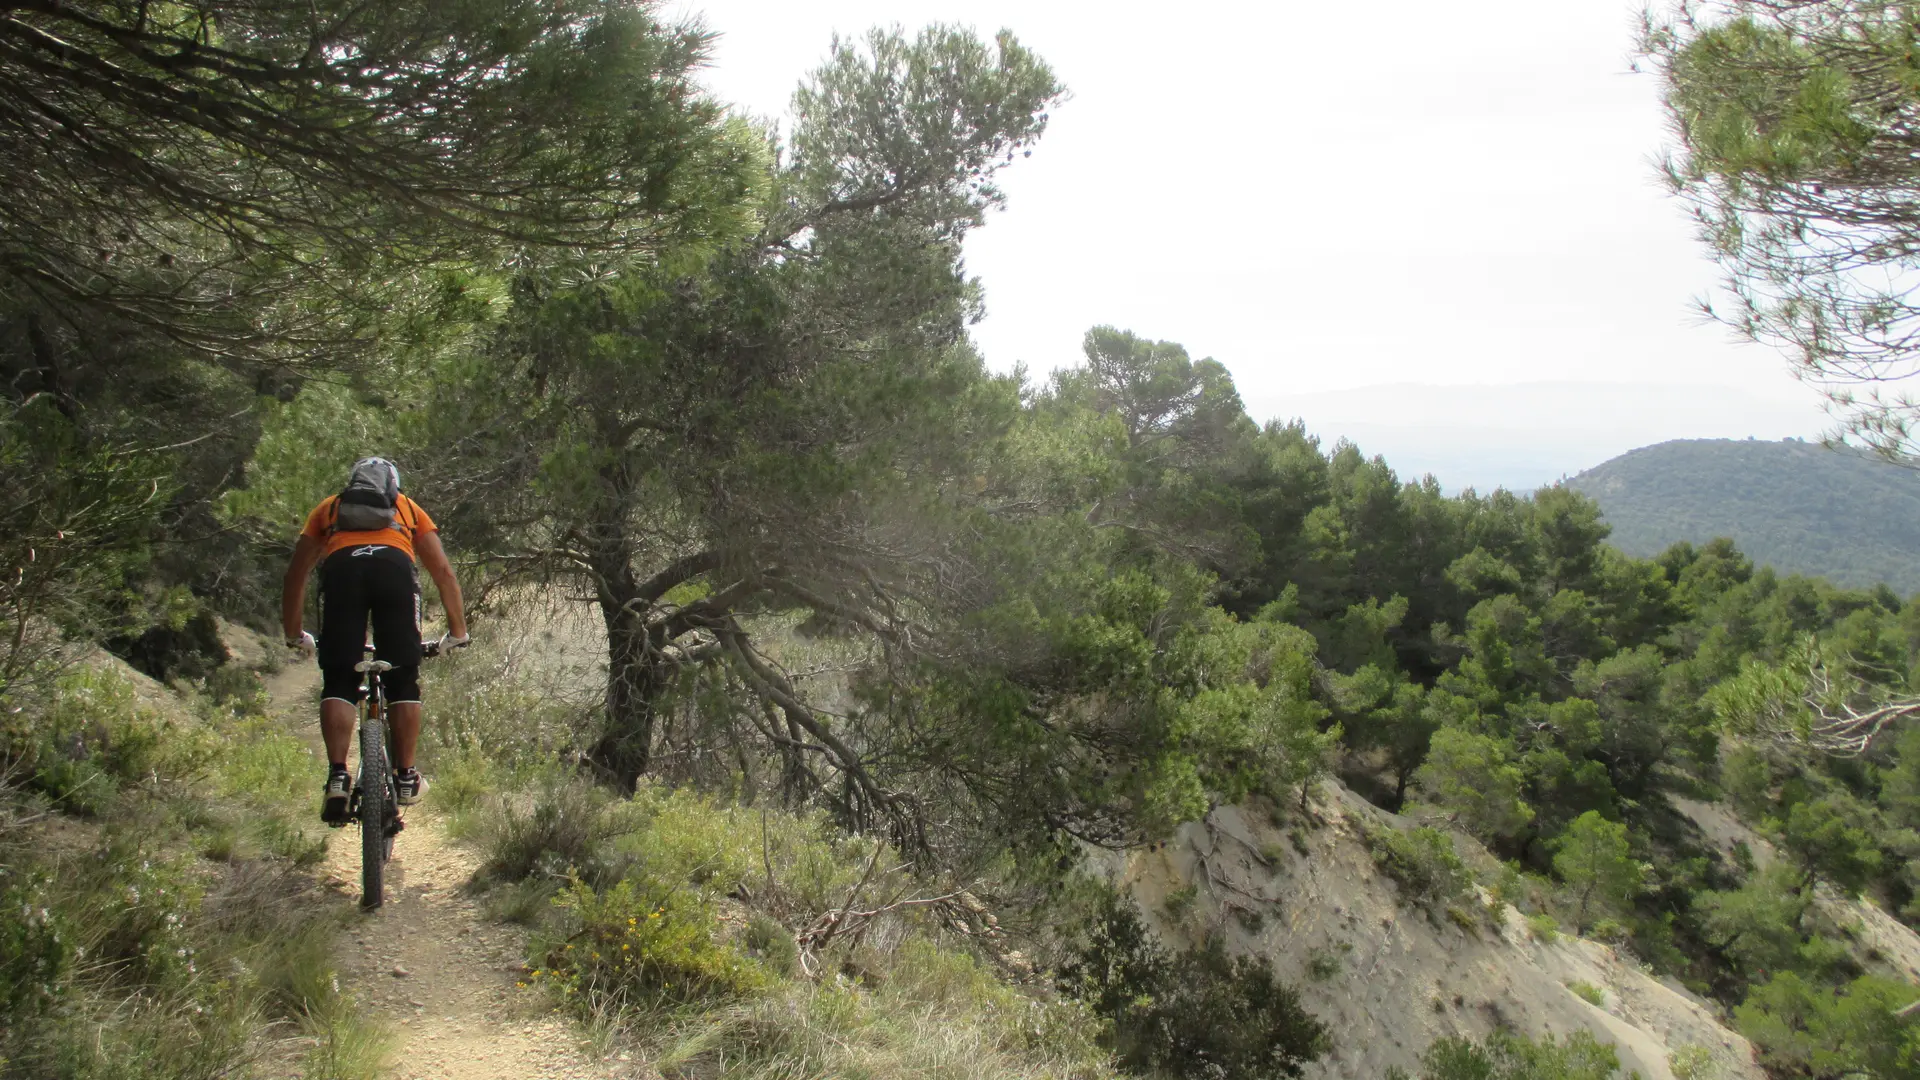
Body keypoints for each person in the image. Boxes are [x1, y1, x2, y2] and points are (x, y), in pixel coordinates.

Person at [281, 457, 468, 824]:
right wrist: (458, 632)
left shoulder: (329, 509)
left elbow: (295, 575)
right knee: (403, 678)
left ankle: (338, 776)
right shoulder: (407, 507)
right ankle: (406, 777)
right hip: (394, 572)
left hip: (342, 573)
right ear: (391, 486)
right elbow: (444, 573)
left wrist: (294, 633)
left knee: (339, 679)